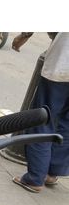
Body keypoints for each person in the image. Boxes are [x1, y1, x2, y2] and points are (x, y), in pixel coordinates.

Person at [12, 32, 69, 193]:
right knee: (66, 123)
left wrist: (24, 35)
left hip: (62, 66)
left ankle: (35, 178)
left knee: (42, 120)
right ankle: (52, 172)